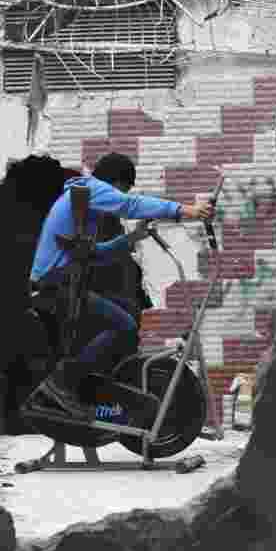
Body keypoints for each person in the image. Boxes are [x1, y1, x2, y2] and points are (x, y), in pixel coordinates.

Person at [29, 153, 214, 420]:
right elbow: (130, 205)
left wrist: (133, 237)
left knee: (122, 320)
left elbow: (96, 254)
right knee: (124, 325)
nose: (118, 199)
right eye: (123, 189)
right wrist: (187, 211)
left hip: (58, 285)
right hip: (55, 286)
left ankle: (74, 382)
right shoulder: (91, 189)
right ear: (116, 182)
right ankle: (63, 381)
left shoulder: (81, 203)